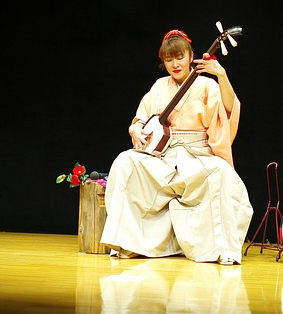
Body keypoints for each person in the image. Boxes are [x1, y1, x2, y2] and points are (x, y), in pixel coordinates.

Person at [100, 29, 253, 265]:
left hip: (196, 156)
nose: (175, 64)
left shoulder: (206, 84)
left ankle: (221, 248)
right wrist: (134, 130)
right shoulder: (159, 86)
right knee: (125, 162)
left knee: (222, 174)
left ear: (191, 56)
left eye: (180, 57)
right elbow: (140, 119)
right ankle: (127, 242)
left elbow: (228, 111)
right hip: (163, 157)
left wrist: (221, 75)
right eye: (169, 59)